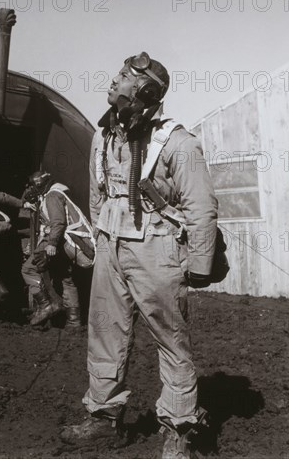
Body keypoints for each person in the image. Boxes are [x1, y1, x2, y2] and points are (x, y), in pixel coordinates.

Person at [61, 52, 218, 459]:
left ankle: (179, 428)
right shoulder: (104, 136)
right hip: (111, 244)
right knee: (104, 331)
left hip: (157, 249)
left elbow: (200, 207)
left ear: (146, 91)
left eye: (123, 78)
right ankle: (102, 415)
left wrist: (199, 265)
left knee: (171, 338)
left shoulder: (178, 142)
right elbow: (97, 194)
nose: (112, 81)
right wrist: (101, 238)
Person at [20, 171, 82, 327]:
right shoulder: (59, 192)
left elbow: (58, 222)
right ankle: (74, 321)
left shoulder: (52, 196)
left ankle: (45, 304)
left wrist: (52, 243)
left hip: (55, 242)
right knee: (65, 277)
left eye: (34, 186)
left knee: (28, 269)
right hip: (67, 242)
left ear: (40, 184)